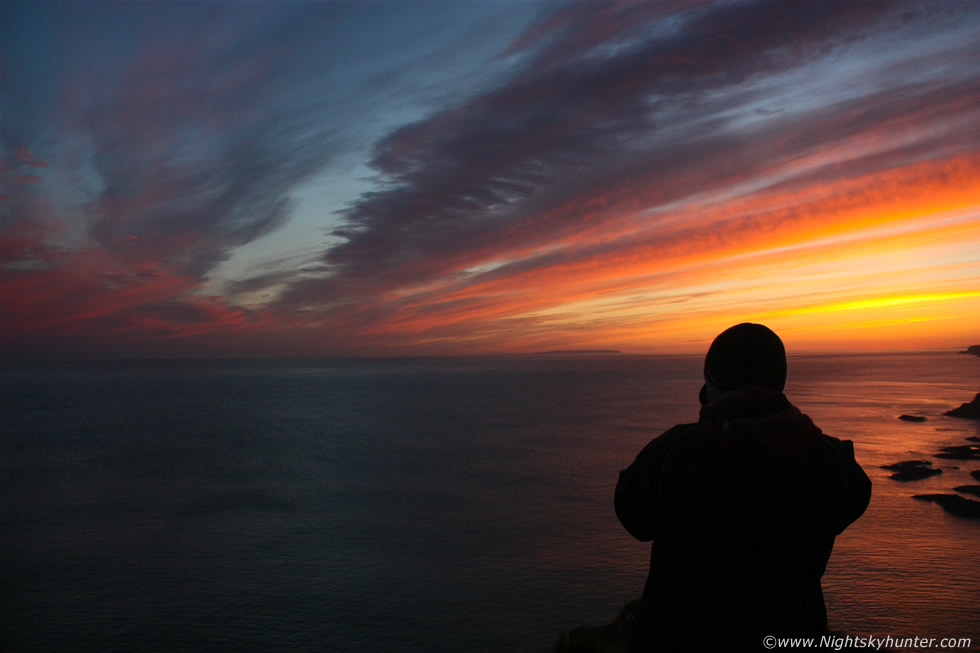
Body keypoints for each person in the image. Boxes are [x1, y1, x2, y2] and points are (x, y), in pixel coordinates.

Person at [615, 323, 871, 652]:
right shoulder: (834, 461)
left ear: (710, 384)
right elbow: (850, 504)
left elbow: (635, 519)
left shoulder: (672, 454)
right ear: (781, 383)